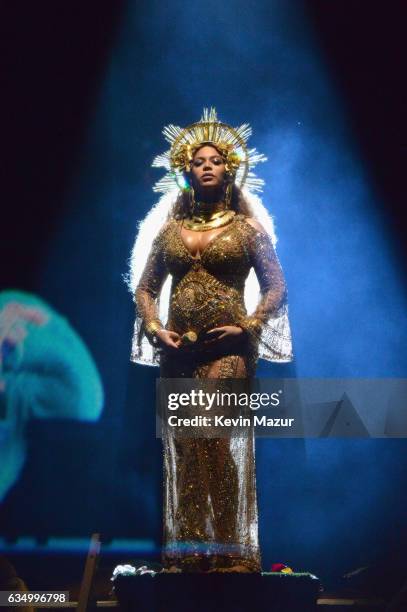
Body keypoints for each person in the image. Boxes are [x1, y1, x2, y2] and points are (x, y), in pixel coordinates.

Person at [128, 108, 292, 572]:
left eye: (215, 160)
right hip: (179, 353)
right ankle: (191, 550)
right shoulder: (169, 232)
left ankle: (232, 550)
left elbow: (277, 286)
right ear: (186, 170)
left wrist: (249, 326)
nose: (206, 165)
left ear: (228, 170)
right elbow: (145, 287)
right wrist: (156, 327)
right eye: (198, 160)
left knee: (216, 440)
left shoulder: (246, 230)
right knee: (185, 444)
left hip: (229, 352)